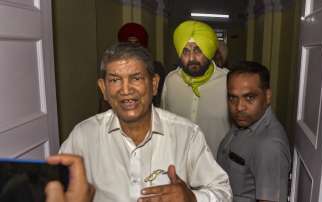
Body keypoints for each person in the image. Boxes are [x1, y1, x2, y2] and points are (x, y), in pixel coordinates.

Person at [60, 42, 232, 202]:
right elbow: (55, 188)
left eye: (136, 78)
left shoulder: (186, 134)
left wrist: (193, 198)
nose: (126, 90)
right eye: (114, 80)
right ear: (103, 89)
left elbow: (223, 192)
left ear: (155, 84)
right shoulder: (83, 136)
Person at [217, 61, 291, 202]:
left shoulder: (269, 146)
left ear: (268, 96)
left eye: (249, 97)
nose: (239, 107)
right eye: (233, 98)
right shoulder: (246, 121)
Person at [161, 20, 230, 155]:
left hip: (217, 168)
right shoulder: (171, 81)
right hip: (178, 164)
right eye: (185, 51)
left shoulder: (228, 81)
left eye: (198, 50)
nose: (192, 58)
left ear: (209, 51)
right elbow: (164, 123)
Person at [118, 22, 166, 107]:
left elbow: (160, 98)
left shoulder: (156, 68)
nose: (133, 47)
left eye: (136, 43)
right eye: (129, 43)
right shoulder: (115, 68)